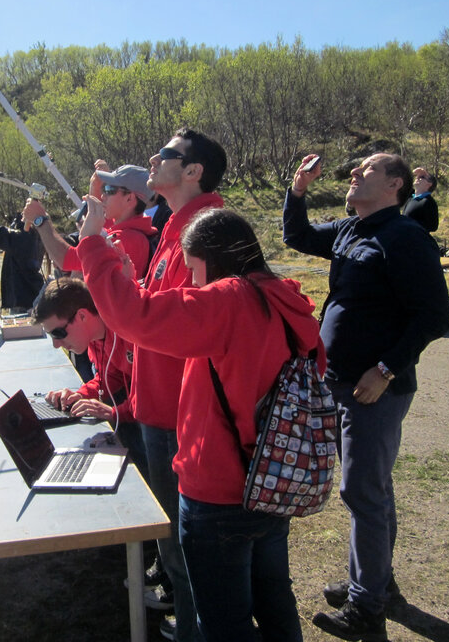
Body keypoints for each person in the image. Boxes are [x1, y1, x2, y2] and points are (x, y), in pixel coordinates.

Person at [78, 202, 321, 642]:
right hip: (271, 479)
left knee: (223, 620)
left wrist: (92, 244)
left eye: (193, 268)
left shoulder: (229, 301)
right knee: (274, 600)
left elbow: (136, 317)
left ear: (218, 259)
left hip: (219, 491)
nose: (191, 281)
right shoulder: (284, 298)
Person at [283, 153, 449, 642]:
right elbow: (297, 236)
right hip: (338, 381)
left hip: (374, 389)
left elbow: (435, 315)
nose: (354, 174)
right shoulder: (349, 229)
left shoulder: (406, 237)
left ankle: (366, 612)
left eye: (368, 170)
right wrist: (298, 192)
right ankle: (377, 583)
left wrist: (385, 368)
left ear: (396, 184)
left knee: (361, 493)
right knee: (374, 490)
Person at [77, 128, 226, 642]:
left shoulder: (204, 231)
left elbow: (161, 325)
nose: (151, 159)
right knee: (175, 547)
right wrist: (129, 279)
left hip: (181, 415)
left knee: (186, 553)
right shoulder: (176, 227)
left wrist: (94, 244)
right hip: (159, 407)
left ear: (192, 172)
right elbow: (158, 306)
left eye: (166, 154)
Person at [31, 277, 146, 479]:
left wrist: (114, 412)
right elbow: (109, 378)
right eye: (51, 336)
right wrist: (81, 394)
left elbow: (153, 394)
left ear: (82, 316)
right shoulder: (95, 337)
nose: (57, 345)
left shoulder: (128, 332)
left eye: (58, 333)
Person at [22, 163, 157, 279]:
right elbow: (100, 224)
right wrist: (95, 187)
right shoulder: (123, 230)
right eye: (104, 188)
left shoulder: (128, 239)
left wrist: (40, 219)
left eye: (110, 189)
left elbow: (64, 260)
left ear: (129, 199)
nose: (103, 195)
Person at [0, 194, 44, 312]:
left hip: (23, 302)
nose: (23, 211)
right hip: (30, 296)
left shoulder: (23, 239)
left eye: (27, 209)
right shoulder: (36, 236)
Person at [402, 167, 439, 233]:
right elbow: (401, 181)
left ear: (429, 184)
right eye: (417, 176)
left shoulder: (428, 202)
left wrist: (410, 225)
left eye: (422, 177)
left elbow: (433, 226)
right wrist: (413, 173)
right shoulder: (411, 197)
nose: (417, 178)